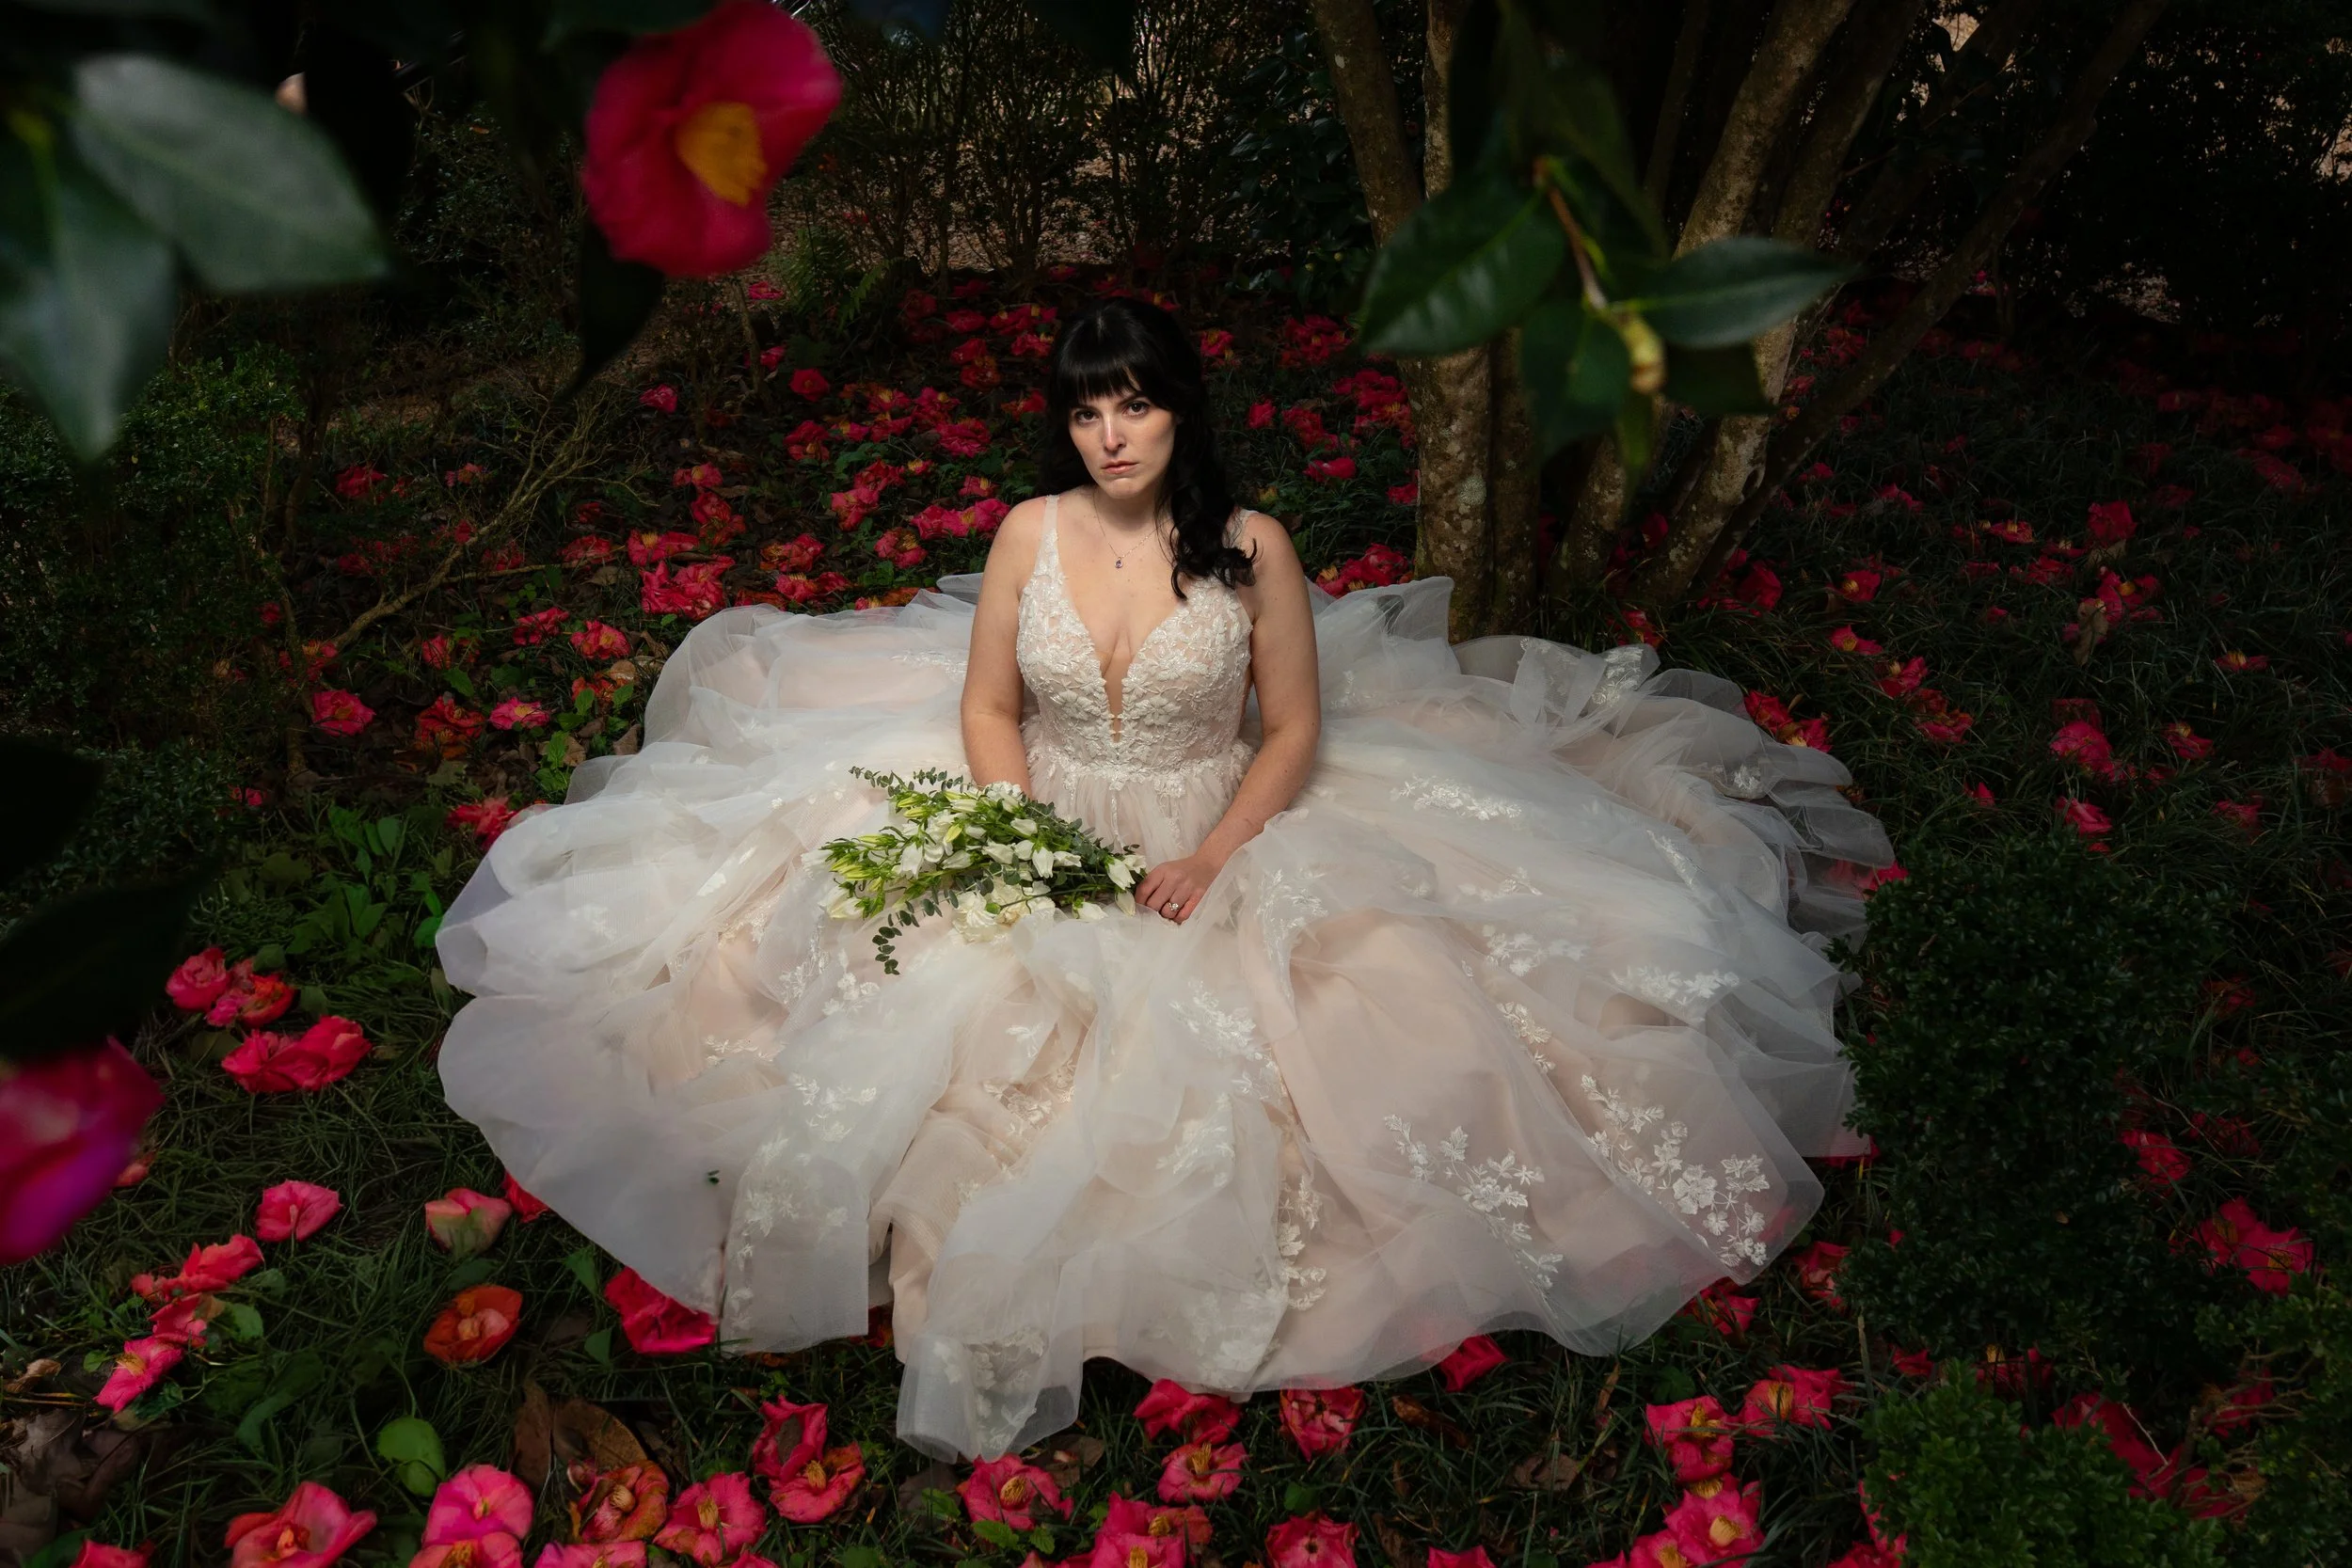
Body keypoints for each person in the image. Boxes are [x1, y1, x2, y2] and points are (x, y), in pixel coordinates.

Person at [435, 296, 1897, 1463]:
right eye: (1085, 410)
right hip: (1046, 803)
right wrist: (1019, 837)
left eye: (1132, 404)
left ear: (1181, 408)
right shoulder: (1030, 532)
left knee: (1357, 1022)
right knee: (898, 994)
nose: (1110, 434)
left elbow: (1297, 728)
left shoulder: (1253, 549)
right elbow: (990, 705)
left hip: (1216, 811)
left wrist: (1210, 852)